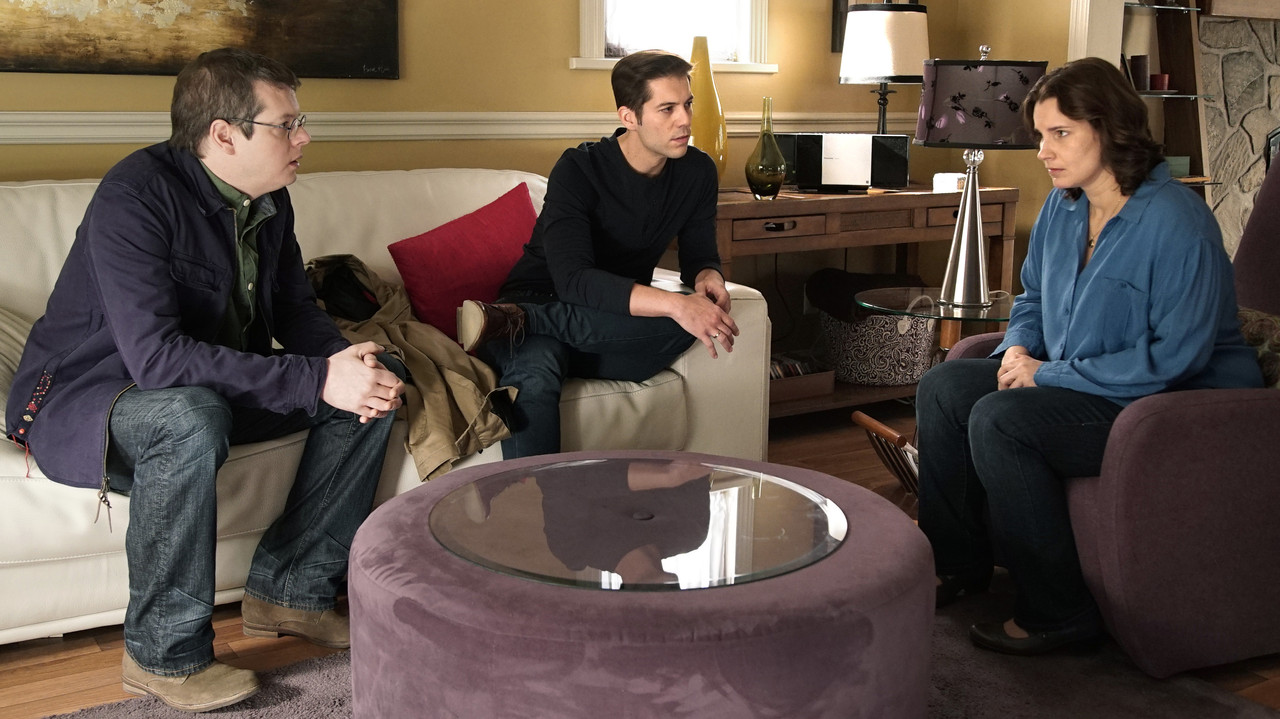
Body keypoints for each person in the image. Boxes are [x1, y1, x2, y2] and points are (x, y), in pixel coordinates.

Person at [4, 48, 405, 712]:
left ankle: (292, 591)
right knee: (190, 415)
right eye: (287, 124)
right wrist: (316, 379)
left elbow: (295, 311)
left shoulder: (270, 198)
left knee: (375, 378)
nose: (304, 137)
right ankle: (160, 655)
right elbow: (157, 362)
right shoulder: (134, 197)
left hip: (207, 388)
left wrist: (344, 364)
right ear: (223, 134)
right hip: (91, 397)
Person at [915, 57, 1263, 656]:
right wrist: (1018, 347)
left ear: (1110, 128)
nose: (1044, 151)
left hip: (1165, 405)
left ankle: (1060, 612)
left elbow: (1174, 359)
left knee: (1001, 420)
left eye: (1061, 133)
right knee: (944, 387)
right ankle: (956, 566)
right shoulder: (1063, 204)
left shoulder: (1179, 223)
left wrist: (1047, 373)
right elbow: (1033, 296)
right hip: (1082, 383)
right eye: (1041, 134)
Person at [455, 49, 739, 458]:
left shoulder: (697, 171)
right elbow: (574, 281)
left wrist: (709, 277)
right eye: (667, 109)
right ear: (629, 116)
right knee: (536, 372)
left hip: (604, 319)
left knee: (699, 321)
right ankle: (535, 502)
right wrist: (676, 306)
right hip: (540, 295)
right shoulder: (579, 169)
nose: (685, 120)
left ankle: (517, 323)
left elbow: (699, 255)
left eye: (688, 104)